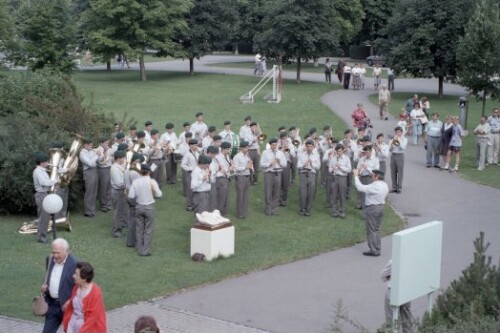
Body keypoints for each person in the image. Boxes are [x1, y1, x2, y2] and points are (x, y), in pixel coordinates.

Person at [41, 238, 78, 333]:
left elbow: (80, 287)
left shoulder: (75, 264)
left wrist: (70, 301)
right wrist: (44, 287)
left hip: (68, 307)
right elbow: (48, 276)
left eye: (58, 253)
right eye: (53, 252)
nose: (55, 256)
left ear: (67, 251)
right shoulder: (49, 259)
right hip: (52, 305)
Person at [128, 164, 162, 256]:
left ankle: (139, 248)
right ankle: (145, 250)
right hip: (149, 207)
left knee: (139, 228)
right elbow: (159, 194)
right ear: (149, 172)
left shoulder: (136, 182)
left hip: (139, 206)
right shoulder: (152, 182)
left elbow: (131, 196)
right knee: (148, 229)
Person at [62, 262, 107, 333]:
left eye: (76, 274)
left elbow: (92, 317)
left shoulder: (95, 292)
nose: (73, 276)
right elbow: (75, 301)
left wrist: (82, 331)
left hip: (88, 329)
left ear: (84, 279)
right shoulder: (76, 287)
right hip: (73, 324)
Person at [353, 169, 388, 256]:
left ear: (377, 177)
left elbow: (360, 187)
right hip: (380, 207)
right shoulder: (384, 185)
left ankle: (373, 250)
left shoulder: (375, 186)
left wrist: (356, 176)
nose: (372, 176)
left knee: (371, 230)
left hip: (372, 208)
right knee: (377, 229)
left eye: (373, 175)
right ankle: (377, 247)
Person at [381, 260, 413, 333]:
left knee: (391, 320)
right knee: (407, 319)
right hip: (407, 291)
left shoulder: (394, 261)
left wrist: (390, 276)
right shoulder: (411, 259)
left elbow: (383, 276)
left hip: (393, 291)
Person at [33, 152, 57, 243]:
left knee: (45, 217)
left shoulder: (42, 170)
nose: (47, 163)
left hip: (44, 194)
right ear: (42, 162)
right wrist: (55, 181)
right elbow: (44, 183)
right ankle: (41, 238)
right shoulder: (38, 171)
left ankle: (43, 236)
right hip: (41, 195)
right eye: (46, 162)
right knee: (43, 217)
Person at [260, 137, 287, 216]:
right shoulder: (265, 152)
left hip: (278, 173)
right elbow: (261, 164)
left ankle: (274, 209)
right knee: (268, 191)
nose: (274, 147)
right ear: (270, 145)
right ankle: (268, 209)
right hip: (269, 173)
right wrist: (269, 163)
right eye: (272, 145)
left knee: (277, 192)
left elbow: (284, 164)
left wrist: (279, 162)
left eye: (275, 145)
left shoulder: (280, 153)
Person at [297, 139, 321, 216]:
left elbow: (318, 167)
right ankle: (302, 209)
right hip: (303, 173)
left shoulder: (316, 156)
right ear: (305, 147)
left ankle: (308, 210)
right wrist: (304, 164)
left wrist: (312, 163)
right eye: (308, 146)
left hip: (311, 174)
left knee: (311, 193)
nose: (309, 148)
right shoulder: (302, 155)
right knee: (302, 193)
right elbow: (298, 166)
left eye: (311, 146)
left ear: (313, 147)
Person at [124, 153, 143, 248]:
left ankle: (131, 241)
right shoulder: (134, 172)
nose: (139, 163)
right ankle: (132, 241)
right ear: (135, 161)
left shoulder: (127, 170)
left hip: (129, 194)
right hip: (134, 196)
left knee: (132, 218)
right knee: (135, 219)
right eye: (138, 161)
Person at [329, 144, 352, 218]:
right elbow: (329, 169)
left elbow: (349, 169)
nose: (338, 153)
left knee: (342, 195)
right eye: (337, 151)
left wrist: (340, 167)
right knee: (334, 194)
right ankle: (334, 211)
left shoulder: (346, 158)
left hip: (342, 177)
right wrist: (332, 169)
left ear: (343, 150)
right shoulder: (333, 158)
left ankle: (342, 211)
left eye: (340, 151)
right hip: (335, 177)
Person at [356, 146, 380, 211]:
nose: (366, 154)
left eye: (367, 152)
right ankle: (364, 213)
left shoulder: (375, 160)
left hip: (370, 178)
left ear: (370, 152)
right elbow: (358, 167)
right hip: (362, 178)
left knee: (370, 196)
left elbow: (376, 172)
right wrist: (358, 171)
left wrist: (367, 168)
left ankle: (370, 211)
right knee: (362, 195)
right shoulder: (362, 159)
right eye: (365, 152)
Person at [110, 150, 128, 238]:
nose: (124, 160)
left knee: (122, 210)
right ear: (119, 158)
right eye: (123, 158)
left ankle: (122, 226)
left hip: (121, 191)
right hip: (117, 192)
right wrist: (128, 183)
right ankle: (116, 231)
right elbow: (119, 183)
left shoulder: (119, 166)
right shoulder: (114, 168)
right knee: (118, 212)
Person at [232, 141, 252, 219]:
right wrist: (246, 167)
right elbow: (235, 169)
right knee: (240, 196)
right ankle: (240, 213)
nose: (247, 149)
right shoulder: (237, 157)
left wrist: (250, 166)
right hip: (240, 177)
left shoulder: (247, 156)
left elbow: (249, 165)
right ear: (241, 148)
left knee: (245, 196)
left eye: (247, 147)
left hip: (247, 176)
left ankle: (244, 212)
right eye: (246, 147)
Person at [79, 138, 99, 217]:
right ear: (85, 145)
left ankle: (92, 210)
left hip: (94, 171)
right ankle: (87, 211)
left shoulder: (92, 151)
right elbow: (90, 163)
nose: (91, 146)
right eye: (90, 145)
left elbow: (97, 160)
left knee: (94, 191)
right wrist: (96, 156)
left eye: (92, 145)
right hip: (88, 172)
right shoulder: (82, 153)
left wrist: (100, 154)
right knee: (89, 192)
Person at [213, 141, 233, 217]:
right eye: (227, 149)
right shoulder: (218, 158)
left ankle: (223, 213)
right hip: (220, 179)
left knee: (226, 198)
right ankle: (218, 214)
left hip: (226, 178)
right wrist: (228, 169)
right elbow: (217, 171)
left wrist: (231, 169)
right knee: (221, 198)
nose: (229, 151)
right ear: (223, 149)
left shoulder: (227, 156)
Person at [181, 139, 200, 211]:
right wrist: (191, 168)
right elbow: (183, 165)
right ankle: (189, 205)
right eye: (195, 145)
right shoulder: (187, 154)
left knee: (196, 188)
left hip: (197, 173)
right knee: (190, 190)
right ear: (190, 145)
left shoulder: (197, 152)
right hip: (190, 173)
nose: (196, 146)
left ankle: (195, 204)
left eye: (196, 145)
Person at [389, 127, 407, 193]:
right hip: (393, 155)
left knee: (400, 172)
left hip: (400, 156)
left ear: (401, 133)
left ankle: (399, 187)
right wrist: (393, 142)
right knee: (393, 172)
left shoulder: (404, 139)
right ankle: (394, 187)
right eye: (396, 132)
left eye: (399, 132)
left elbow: (402, 147)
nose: (397, 133)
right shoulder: (392, 139)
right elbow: (390, 149)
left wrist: (398, 140)